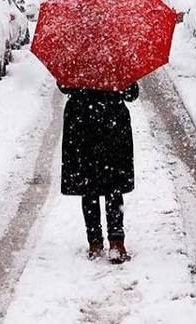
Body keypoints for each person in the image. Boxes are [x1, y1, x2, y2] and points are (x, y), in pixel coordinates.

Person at [60, 83, 138, 263]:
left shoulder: (76, 58)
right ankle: (115, 241)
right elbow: (132, 94)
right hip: (111, 124)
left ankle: (95, 242)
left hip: (82, 124)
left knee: (90, 186)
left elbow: (63, 86)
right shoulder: (118, 59)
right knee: (112, 186)